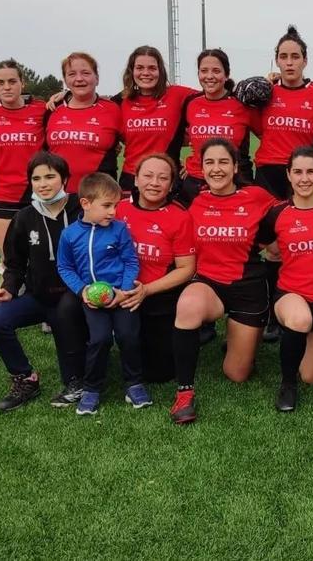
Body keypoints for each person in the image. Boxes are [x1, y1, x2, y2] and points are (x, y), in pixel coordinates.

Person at [169, 139, 277, 424]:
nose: (216, 169)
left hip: (248, 288)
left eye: (223, 162)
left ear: (235, 166)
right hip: (209, 284)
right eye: (209, 163)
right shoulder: (193, 200)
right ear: (200, 167)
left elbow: (288, 216)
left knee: (237, 374)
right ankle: (184, 393)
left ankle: (238, 340)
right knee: (188, 305)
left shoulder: (256, 196)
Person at [0, 152, 89, 412]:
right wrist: (8, 289)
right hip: (39, 296)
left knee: (73, 374)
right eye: (36, 178)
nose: (43, 184)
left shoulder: (82, 209)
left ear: (65, 179)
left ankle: (77, 378)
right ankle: (25, 378)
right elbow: (15, 263)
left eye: (50, 177)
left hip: (74, 298)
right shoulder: (24, 217)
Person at [257, 147, 313, 412]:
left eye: (310, 171)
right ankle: (287, 384)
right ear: (288, 175)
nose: (304, 178)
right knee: (300, 320)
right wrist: (274, 253)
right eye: (297, 172)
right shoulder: (277, 212)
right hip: (291, 295)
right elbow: (261, 245)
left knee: (311, 376)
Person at [56, 173, 148, 415]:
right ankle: (92, 388)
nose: (113, 212)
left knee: (128, 335)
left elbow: (130, 261)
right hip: (92, 300)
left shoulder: (119, 230)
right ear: (86, 204)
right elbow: (64, 267)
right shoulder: (69, 235)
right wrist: (82, 290)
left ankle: (134, 383)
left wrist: (124, 290)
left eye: (115, 205)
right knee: (100, 339)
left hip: (121, 296)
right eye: (107, 206)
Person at [115, 153, 196, 383]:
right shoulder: (118, 210)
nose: (154, 183)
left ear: (171, 185)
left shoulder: (180, 217)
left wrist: (146, 290)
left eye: (162, 178)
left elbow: (186, 268)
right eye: (148, 176)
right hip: (119, 290)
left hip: (158, 296)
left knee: (159, 373)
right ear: (136, 180)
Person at [0, 60, 49, 274]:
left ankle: (42, 306)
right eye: (0, 82)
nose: (7, 87)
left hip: (39, 195)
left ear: (23, 83)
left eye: (12, 81)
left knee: (41, 258)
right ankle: (9, 305)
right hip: (3, 196)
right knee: (10, 261)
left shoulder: (41, 109)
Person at [165, 48, 257, 205]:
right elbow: (177, 139)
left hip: (234, 181)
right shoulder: (191, 103)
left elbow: (266, 136)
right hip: (194, 182)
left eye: (216, 71)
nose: (209, 76)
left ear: (226, 74)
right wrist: (181, 165)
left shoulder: (242, 104)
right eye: (204, 71)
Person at [254, 26, 313, 199]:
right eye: (283, 57)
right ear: (276, 61)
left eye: (295, 57)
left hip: (305, 173)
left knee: (308, 225)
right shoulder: (265, 92)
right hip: (268, 174)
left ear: (305, 61)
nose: (289, 63)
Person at [111, 45, 198, 192]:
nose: (146, 73)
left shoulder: (178, 95)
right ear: (132, 71)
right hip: (131, 179)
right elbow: (89, 109)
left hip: (168, 179)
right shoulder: (120, 101)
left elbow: (214, 99)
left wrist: (196, 164)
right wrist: (67, 96)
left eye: (152, 68)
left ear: (160, 71)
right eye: (139, 68)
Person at [44, 53, 121, 193]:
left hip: (99, 198)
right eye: (72, 74)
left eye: (86, 73)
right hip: (58, 197)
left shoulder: (114, 109)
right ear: (65, 81)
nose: (79, 79)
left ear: (97, 79)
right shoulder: (52, 109)